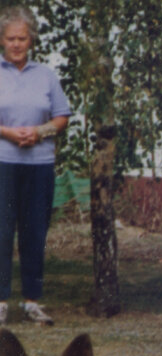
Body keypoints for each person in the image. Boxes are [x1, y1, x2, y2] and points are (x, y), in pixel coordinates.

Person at [0, 6, 67, 327]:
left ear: (31, 41)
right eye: (10, 38)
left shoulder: (46, 76)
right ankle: (0, 303)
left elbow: (62, 116)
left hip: (39, 165)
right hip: (3, 164)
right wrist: (8, 133)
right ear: (2, 40)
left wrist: (40, 132)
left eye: (22, 38)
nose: (16, 44)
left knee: (34, 233)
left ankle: (32, 302)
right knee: (1, 232)